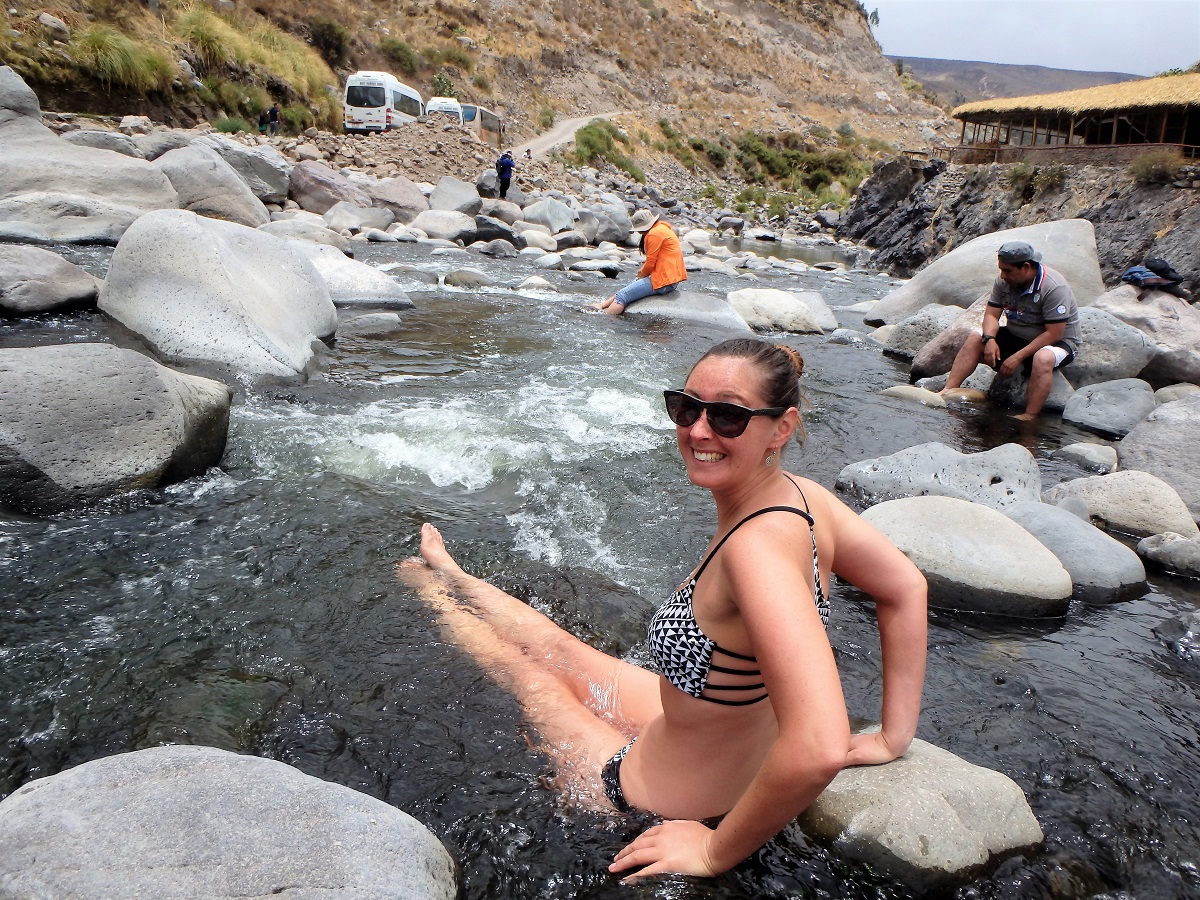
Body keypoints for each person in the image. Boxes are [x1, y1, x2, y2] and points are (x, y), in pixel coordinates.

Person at [398, 338, 928, 882]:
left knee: (523, 672)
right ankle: (455, 576)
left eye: (727, 415)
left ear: (782, 427)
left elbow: (819, 746)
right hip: (693, 722)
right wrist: (894, 735)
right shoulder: (805, 498)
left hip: (645, 789)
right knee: (558, 647)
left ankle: (428, 588)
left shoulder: (756, 551)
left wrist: (714, 850)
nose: (699, 430)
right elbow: (906, 587)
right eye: (686, 407)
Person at [939, 240, 1082, 421]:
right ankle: (947, 391)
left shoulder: (1053, 287)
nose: (1002, 275)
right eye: (1001, 269)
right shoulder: (1003, 282)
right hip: (1018, 335)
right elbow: (991, 314)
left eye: (1007, 270)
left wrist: (1017, 357)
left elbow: (1054, 333)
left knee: (1042, 358)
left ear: (1026, 267)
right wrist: (990, 339)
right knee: (975, 338)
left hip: (1057, 343)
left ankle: (1029, 416)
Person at [591, 210, 688, 315]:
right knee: (629, 287)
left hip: (663, 282)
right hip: (670, 281)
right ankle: (603, 305)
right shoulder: (662, 228)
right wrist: (641, 275)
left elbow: (650, 263)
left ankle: (605, 318)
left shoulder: (654, 234)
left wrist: (642, 273)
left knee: (622, 296)